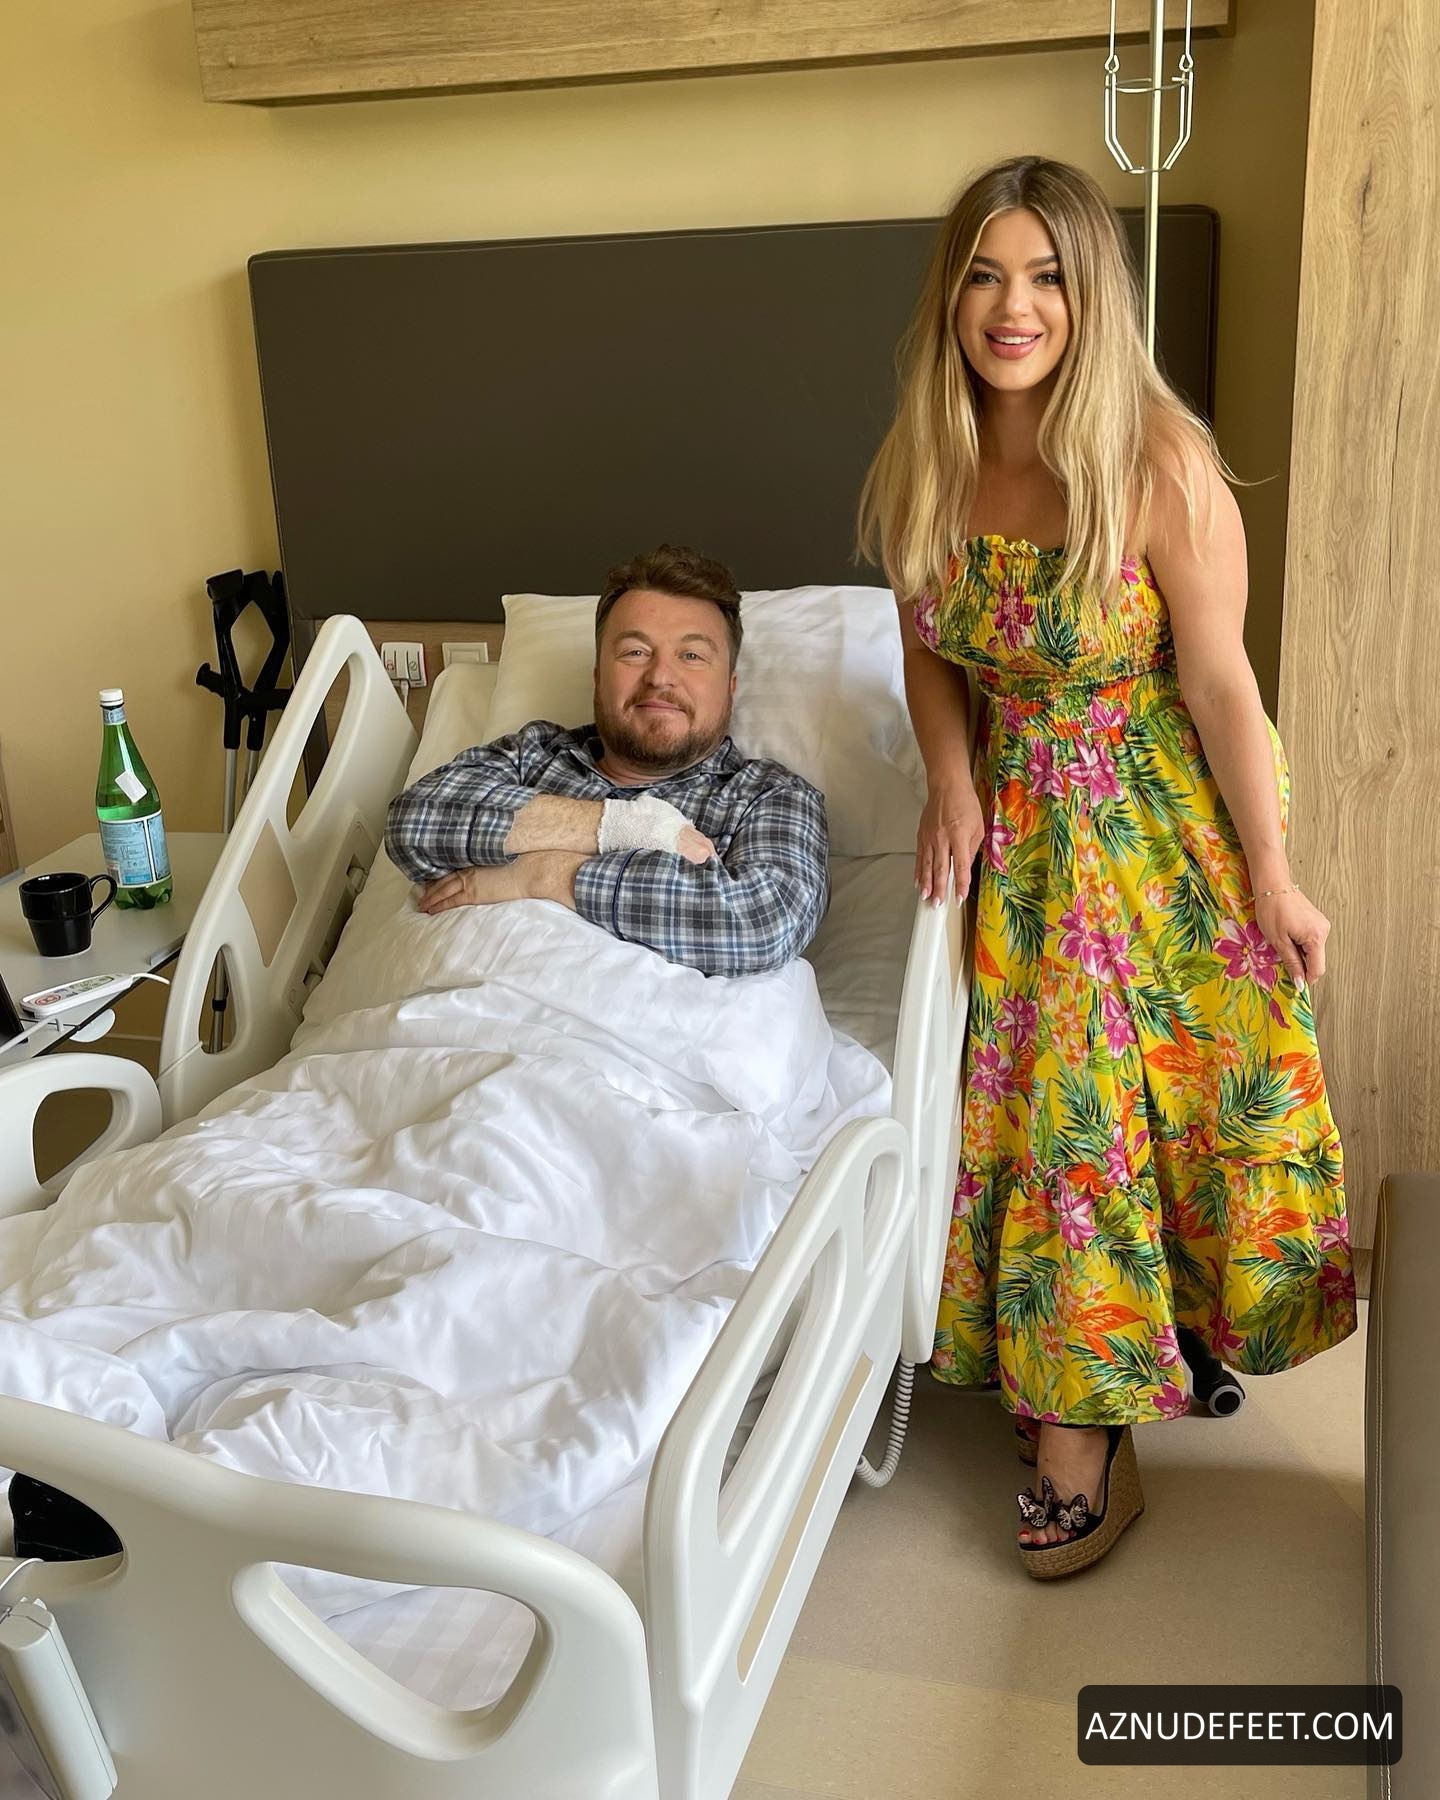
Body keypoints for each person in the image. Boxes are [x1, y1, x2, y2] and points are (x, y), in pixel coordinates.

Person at [859, 155, 1356, 1577]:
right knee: (1059, 1121)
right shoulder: (927, 457)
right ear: (950, 295)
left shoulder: (1158, 464)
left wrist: (1274, 873)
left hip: (1157, 820)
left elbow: (1220, 683)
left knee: (1150, 1108)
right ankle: (1094, 1386)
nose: (1012, 307)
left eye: (1046, 277)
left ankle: (1097, 1414)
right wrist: (950, 776)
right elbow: (925, 647)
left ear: (1091, 297)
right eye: (984, 275)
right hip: (1024, 829)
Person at [384, 543, 828, 978]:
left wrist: (545, 875)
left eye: (691, 656)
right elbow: (414, 824)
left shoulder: (767, 796)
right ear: (598, 678)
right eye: (635, 652)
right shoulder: (533, 756)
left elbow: (763, 924)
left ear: (730, 687)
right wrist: (626, 826)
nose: (660, 677)